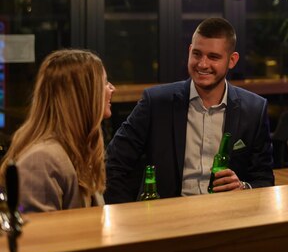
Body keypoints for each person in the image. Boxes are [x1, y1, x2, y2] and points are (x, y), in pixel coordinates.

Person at [105, 17, 274, 203]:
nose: (202, 64)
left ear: (232, 60)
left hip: (228, 218)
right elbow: (113, 164)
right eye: (197, 54)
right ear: (189, 52)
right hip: (168, 220)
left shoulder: (254, 109)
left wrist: (243, 188)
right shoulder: (156, 102)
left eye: (213, 57)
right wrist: (128, 215)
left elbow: (264, 180)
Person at [0, 49, 116, 212]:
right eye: (104, 83)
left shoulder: (78, 151)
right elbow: (40, 235)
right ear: (83, 96)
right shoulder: (41, 161)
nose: (112, 89)